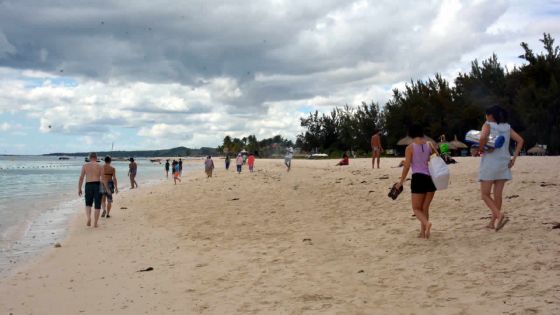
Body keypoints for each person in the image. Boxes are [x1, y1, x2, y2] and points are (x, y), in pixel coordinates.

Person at [478, 105, 524, 231]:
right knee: (498, 195)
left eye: (486, 114)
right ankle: (493, 222)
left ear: (490, 116)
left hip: (490, 163)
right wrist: (513, 159)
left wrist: (480, 148)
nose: (486, 117)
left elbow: (482, 138)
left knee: (485, 194)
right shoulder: (507, 127)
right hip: (504, 163)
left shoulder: (487, 124)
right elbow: (520, 140)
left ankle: (499, 215)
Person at [395, 124, 437, 239]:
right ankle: (424, 233)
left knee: (416, 208)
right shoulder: (430, 145)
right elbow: (436, 158)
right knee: (425, 208)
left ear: (411, 134)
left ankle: (427, 224)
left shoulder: (410, 148)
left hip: (418, 178)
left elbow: (407, 166)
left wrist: (401, 182)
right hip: (431, 179)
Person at [78, 152, 106, 228]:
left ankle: (89, 218)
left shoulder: (85, 166)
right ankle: (95, 223)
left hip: (88, 185)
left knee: (88, 204)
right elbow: (103, 179)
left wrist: (79, 188)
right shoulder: (100, 166)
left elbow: (81, 178)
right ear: (96, 157)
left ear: (89, 157)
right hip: (97, 185)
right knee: (97, 205)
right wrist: (105, 188)